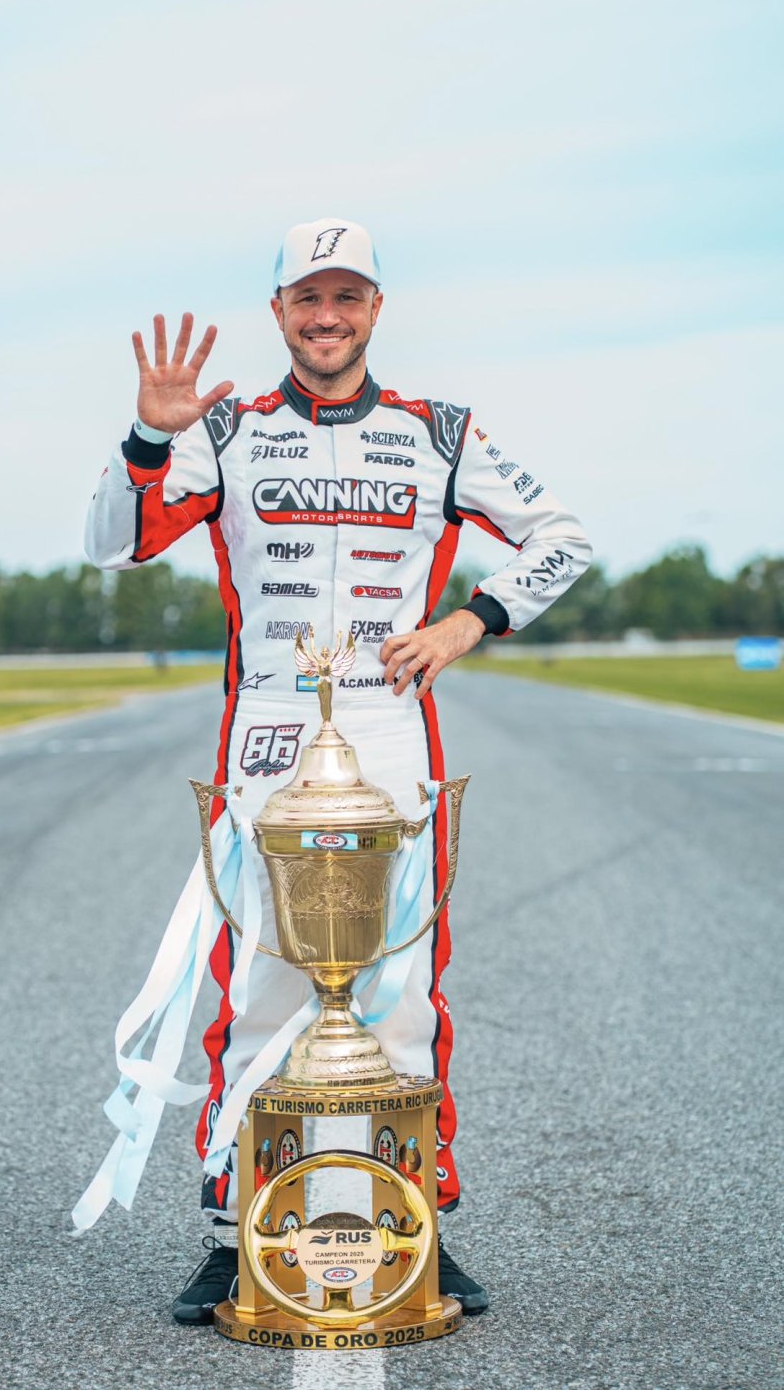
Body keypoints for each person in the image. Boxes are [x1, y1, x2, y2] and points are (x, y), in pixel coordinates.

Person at [85, 217, 591, 1323]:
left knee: (402, 982)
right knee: (261, 979)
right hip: (267, 728)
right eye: (307, 298)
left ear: (375, 309)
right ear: (279, 313)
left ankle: (418, 1222)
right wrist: (143, 436)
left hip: (391, 722)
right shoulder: (227, 427)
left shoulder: (438, 433)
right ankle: (236, 1227)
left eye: (347, 296)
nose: (326, 316)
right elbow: (112, 542)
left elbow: (562, 535)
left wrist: (468, 624)